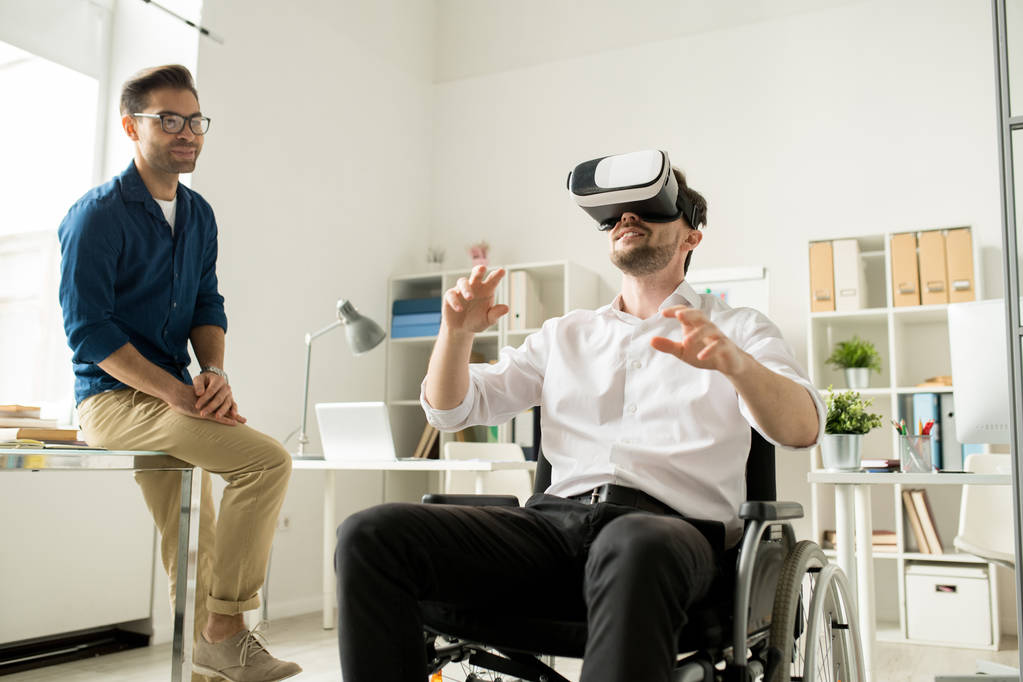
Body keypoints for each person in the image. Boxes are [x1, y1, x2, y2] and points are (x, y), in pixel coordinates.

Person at [335, 150, 824, 682]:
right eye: (615, 215)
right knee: (370, 532)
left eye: (648, 208)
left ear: (691, 237)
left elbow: (801, 429)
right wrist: (457, 335)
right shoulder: (563, 334)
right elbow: (452, 410)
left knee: (633, 543)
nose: (626, 220)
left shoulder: (739, 328)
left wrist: (737, 365)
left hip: (669, 538)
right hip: (552, 532)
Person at [57, 65, 301, 682]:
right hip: (111, 401)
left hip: (172, 396)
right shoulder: (96, 216)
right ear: (130, 126)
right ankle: (225, 628)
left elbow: (206, 305)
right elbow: (90, 331)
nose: (185, 132)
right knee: (264, 461)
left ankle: (205, 663)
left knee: (194, 535)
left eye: (194, 120)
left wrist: (213, 372)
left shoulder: (199, 214)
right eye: (168, 120)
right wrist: (177, 392)